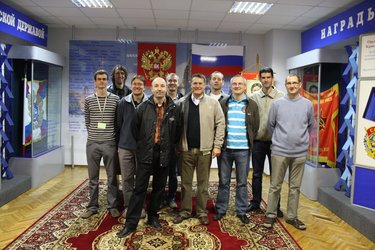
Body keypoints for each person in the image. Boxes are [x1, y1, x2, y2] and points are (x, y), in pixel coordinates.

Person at [117, 77, 181, 238]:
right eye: (156, 86)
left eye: (162, 86)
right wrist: (144, 146)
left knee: (159, 188)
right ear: (151, 89)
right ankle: (131, 223)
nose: (159, 89)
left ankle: (153, 217)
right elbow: (134, 130)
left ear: (166, 88)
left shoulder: (174, 108)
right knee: (139, 189)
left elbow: (177, 131)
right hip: (146, 153)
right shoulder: (142, 108)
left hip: (164, 154)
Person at [263, 73, 314, 230]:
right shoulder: (277, 104)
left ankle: (292, 217)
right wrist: (280, 140)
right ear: (285, 85)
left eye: (294, 83)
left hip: (299, 153)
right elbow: (270, 125)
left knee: (295, 187)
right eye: (288, 83)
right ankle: (270, 215)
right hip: (279, 151)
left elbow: (310, 125)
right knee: (275, 186)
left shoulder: (308, 104)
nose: (291, 86)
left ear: (300, 85)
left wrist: (300, 140)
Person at [173, 73, 225, 226]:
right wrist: (177, 145)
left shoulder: (213, 103)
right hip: (186, 151)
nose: (197, 86)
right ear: (191, 84)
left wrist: (217, 145)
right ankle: (185, 211)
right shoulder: (181, 103)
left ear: (205, 85)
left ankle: (202, 212)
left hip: (205, 151)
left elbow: (220, 124)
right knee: (185, 184)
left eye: (200, 84)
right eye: (194, 83)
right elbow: (176, 126)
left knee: (203, 184)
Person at [214, 75, 259, 224]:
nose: (237, 86)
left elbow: (255, 126)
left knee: (242, 182)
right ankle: (221, 209)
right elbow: (218, 124)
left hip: (243, 150)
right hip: (226, 149)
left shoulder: (252, 104)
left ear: (245, 87)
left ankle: (241, 210)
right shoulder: (223, 103)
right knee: (224, 181)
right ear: (230, 86)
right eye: (234, 84)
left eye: (240, 84)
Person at [81, 69, 120, 219]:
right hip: (92, 143)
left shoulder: (115, 99)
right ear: (95, 81)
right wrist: (94, 134)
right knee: (93, 177)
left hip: (109, 143)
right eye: (99, 79)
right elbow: (87, 121)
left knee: (111, 177)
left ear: (108, 81)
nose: (102, 81)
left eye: (104, 79)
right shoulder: (89, 100)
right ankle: (92, 206)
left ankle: (113, 206)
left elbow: (117, 121)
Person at [248, 67, 284, 217]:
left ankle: (276, 206)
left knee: (276, 176)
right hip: (258, 142)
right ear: (260, 79)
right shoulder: (253, 97)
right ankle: (256, 202)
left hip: (276, 143)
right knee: (256, 174)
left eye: (268, 77)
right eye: (263, 77)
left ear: (272, 78)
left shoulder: (281, 97)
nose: (266, 80)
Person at [117, 75, 148, 218]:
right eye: (135, 84)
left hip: (142, 148)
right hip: (125, 147)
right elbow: (118, 124)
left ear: (144, 86)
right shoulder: (123, 103)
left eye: (140, 84)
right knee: (127, 178)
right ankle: (129, 206)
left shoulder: (149, 102)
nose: (137, 86)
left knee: (141, 179)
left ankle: (140, 207)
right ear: (131, 85)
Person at [164, 73, 183, 208]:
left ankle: (171, 198)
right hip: (160, 143)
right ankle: (158, 198)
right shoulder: (159, 98)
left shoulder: (183, 100)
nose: (172, 83)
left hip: (175, 144)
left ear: (178, 83)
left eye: (174, 81)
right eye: (169, 81)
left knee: (173, 173)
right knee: (160, 174)